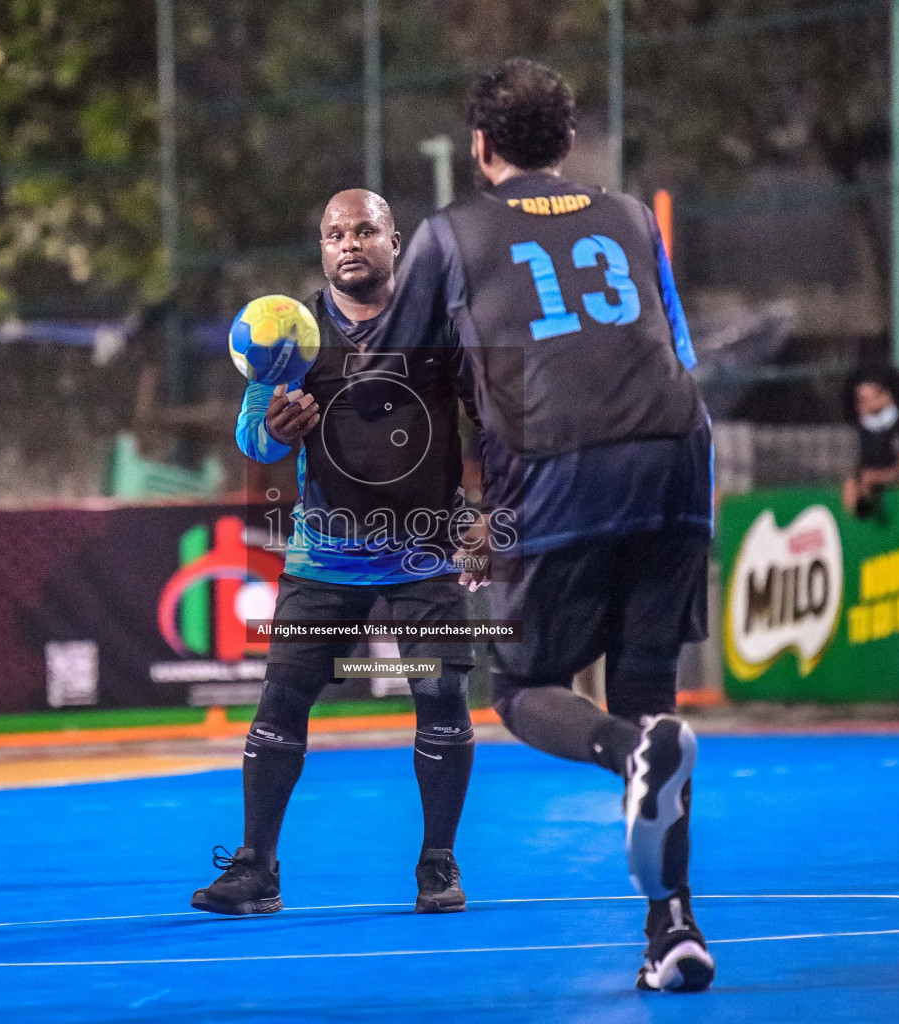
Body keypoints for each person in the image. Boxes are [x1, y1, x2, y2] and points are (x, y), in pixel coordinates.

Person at [382, 58, 715, 993]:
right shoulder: (632, 217)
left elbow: (392, 382)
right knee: (650, 684)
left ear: (478, 147)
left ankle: (621, 750)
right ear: (570, 145)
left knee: (525, 685)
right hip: (679, 450)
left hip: (560, 460)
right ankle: (673, 930)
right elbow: (674, 345)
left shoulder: (450, 235)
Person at [191, 190, 480, 917]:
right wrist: (278, 429)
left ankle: (437, 864)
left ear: (394, 241)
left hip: (425, 550)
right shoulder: (287, 331)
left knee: (440, 697)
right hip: (327, 555)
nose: (349, 243)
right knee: (280, 701)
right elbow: (253, 442)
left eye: (365, 230)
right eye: (333, 234)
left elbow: (495, 418)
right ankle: (257, 868)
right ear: (322, 251)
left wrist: (489, 513)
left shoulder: (440, 323)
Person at [841, 364, 899, 515]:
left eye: (878, 395)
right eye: (863, 401)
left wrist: (877, 477)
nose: (873, 406)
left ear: (892, 393)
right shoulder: (864, 435)